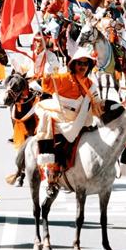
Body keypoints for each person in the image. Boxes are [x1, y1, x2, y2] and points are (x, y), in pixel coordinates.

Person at [36, 47, 103, 188]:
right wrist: (48, 75)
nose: (82, 67)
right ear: (74, 65)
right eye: (80, 63)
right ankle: (52, 171)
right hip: (64, 118)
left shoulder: (90, 85)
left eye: (86, 64)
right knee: (59, 144)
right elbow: (48, 86)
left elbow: (97, 104)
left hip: (82, 120)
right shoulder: (64, 78)